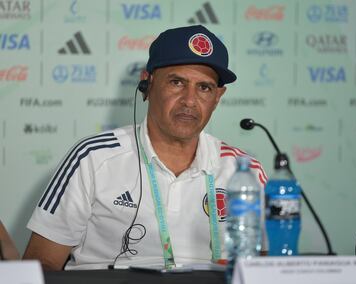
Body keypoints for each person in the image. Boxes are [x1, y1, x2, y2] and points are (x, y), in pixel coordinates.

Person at [23, 25, 267, 270]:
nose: (190, 100)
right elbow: (42, 264)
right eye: (177, 82)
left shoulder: (245, 171)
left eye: (204, 87)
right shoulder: (92, 158)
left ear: (217, 98)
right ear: (147, 84)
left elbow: (268, 268)